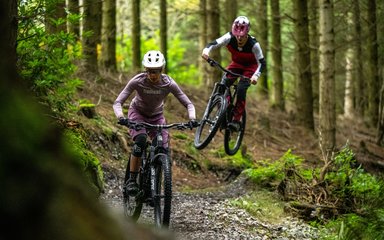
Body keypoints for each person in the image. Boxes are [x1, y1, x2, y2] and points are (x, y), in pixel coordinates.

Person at [113, 50, 197, 196]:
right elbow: (118, 102)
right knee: (140, 141)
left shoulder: (168, 83)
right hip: (137, 114)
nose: (153, 75)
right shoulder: (138, 81)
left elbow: (188, 104)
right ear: (146, 70)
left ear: (161, 70)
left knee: (162, 149)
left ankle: (153, 187)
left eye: (156, 71)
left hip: (157, 116)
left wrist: (192, 119)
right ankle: (132, 180)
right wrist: (121, 117)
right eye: (150, 71)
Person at [202, 16, 266, 131]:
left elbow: (262, 63)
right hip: (236, 65)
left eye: (242, 37)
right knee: (223, 85)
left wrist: (255, 76)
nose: (239, 39)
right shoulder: (229, 37)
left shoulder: (254, 44)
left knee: (241, 89)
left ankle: (236, 120)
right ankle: (223, 113)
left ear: (247, 33)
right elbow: (213, 43)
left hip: (250, 68)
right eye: (237, 36)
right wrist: (206, 51)